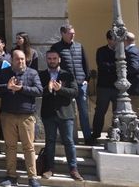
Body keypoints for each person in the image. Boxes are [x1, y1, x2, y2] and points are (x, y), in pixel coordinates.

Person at [0, 50, 43, 187]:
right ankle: (11, 176)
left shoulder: (32, 73)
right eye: (17, 59)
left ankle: (32, 177)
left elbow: (39, 91)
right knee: (10, 147)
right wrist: (7, 87)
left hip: (26, 116)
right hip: (8, 115)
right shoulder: (4, 73)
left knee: (28, 147)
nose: (21, 61)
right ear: (12, 60)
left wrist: (21, 89)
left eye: (22, 59)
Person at [39, 50, 83, 181]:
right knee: (50, 142)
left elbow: (75, 92)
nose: (52, 61)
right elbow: (38, 91)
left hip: (65, 114)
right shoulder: (42, 75)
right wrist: (48, 89)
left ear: (59, 60)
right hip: (48, 114)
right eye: (49, 58)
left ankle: (73, 169)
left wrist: (60, 89)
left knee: (69, 142)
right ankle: (49, 168)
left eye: (54, 58)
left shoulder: (67, 75)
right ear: (46, 60)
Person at [49, 24, 91, 143]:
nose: (72, 35)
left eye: (73, 33)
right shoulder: (56, 47)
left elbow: (85, 63)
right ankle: (69, 138)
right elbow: (54, 65)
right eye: (70, 33)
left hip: (80, 83)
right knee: (67, 112)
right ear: (63, 33)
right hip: (66, 85)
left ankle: (87, 137)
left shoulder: (79, 46)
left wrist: (86, 79)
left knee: (83, 111)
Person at [90, 30, 117, 144]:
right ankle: (96, 133)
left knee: (118, 112)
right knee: (100, 111)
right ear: (109, 40)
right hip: (104, 86)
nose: (115, 42)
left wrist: (111, 66)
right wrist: (115, 66)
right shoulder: (101, 51)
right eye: (114, 40)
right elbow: (102, 66)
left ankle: (115, 133)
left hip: (117, 87)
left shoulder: (121, 51)